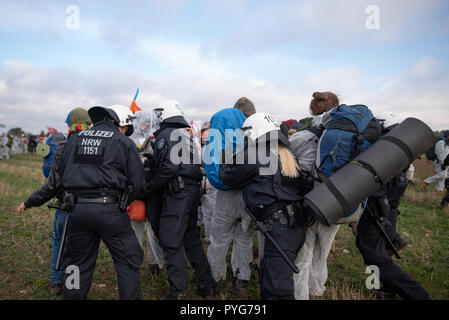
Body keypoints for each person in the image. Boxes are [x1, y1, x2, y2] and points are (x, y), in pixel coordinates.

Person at [18, 106, 145, 299]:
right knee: (127, 262)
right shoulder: (122, 141)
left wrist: (30, 202)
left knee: (76, 263)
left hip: (77, 212)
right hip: (110, 210)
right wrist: (124, 201)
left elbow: (53, 184)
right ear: (119, 123)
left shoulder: (73, 141)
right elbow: (137, 182)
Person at [220, 112, 310, 299]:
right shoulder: (286, 153)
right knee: (279, 277)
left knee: (276, 287)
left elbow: (227, 176)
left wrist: (229, 154)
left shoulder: (256, 154)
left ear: (254, 132)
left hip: (279, 226)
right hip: (295, 225)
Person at [142, 100, 216, 300]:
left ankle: (178, 293)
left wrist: (150, 185)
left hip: (177, 194)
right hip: (191, 193)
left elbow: (169, 168)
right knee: (191, 239)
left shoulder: (166, 136)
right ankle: (206, 285)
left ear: (164, 115)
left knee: (171, 242)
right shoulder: (186, 136)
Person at [16, 108, 92, 296]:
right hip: (89, 207)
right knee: (81, 249)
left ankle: (57, 281)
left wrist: (29, 202)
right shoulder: (95, 147)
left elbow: (50, 186)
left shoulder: (63, 149)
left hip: (66, 206)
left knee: (59, 241)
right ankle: (75, 286)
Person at [204, 97, 257, 299]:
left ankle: (213, 280)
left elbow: (210, 156)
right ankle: (241, 280)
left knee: (219, 238)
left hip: (225, 192)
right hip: (249, 192)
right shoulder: (254, 129)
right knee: (244, 238)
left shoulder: (222, 127)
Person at [291, 91, 341, 300]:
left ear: (312, 107)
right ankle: (317, 289)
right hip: (338, 201)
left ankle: (300, 295)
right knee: (323, 253)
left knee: (304, 254)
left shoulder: (302, 135)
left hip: (310, 201)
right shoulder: (346, 134)